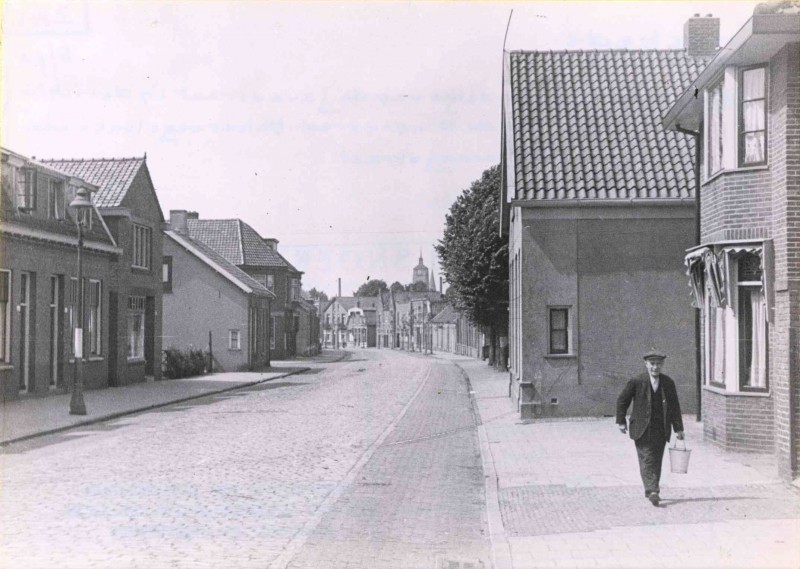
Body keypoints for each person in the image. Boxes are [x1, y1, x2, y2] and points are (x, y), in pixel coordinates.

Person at [616, 350, 684, 506]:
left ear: (662, 365)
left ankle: (652, 488)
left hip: (661, 428)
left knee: (657, 459)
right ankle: (652, 490)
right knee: (647, 458)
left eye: (659, 364)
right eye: (652, 364)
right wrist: (621, 421)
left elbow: (674, 407)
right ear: (646, 364)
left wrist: (678, 429)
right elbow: (622, 400)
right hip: (642, 428)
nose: (655, 367)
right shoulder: (637, 381)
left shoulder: (668, 383)